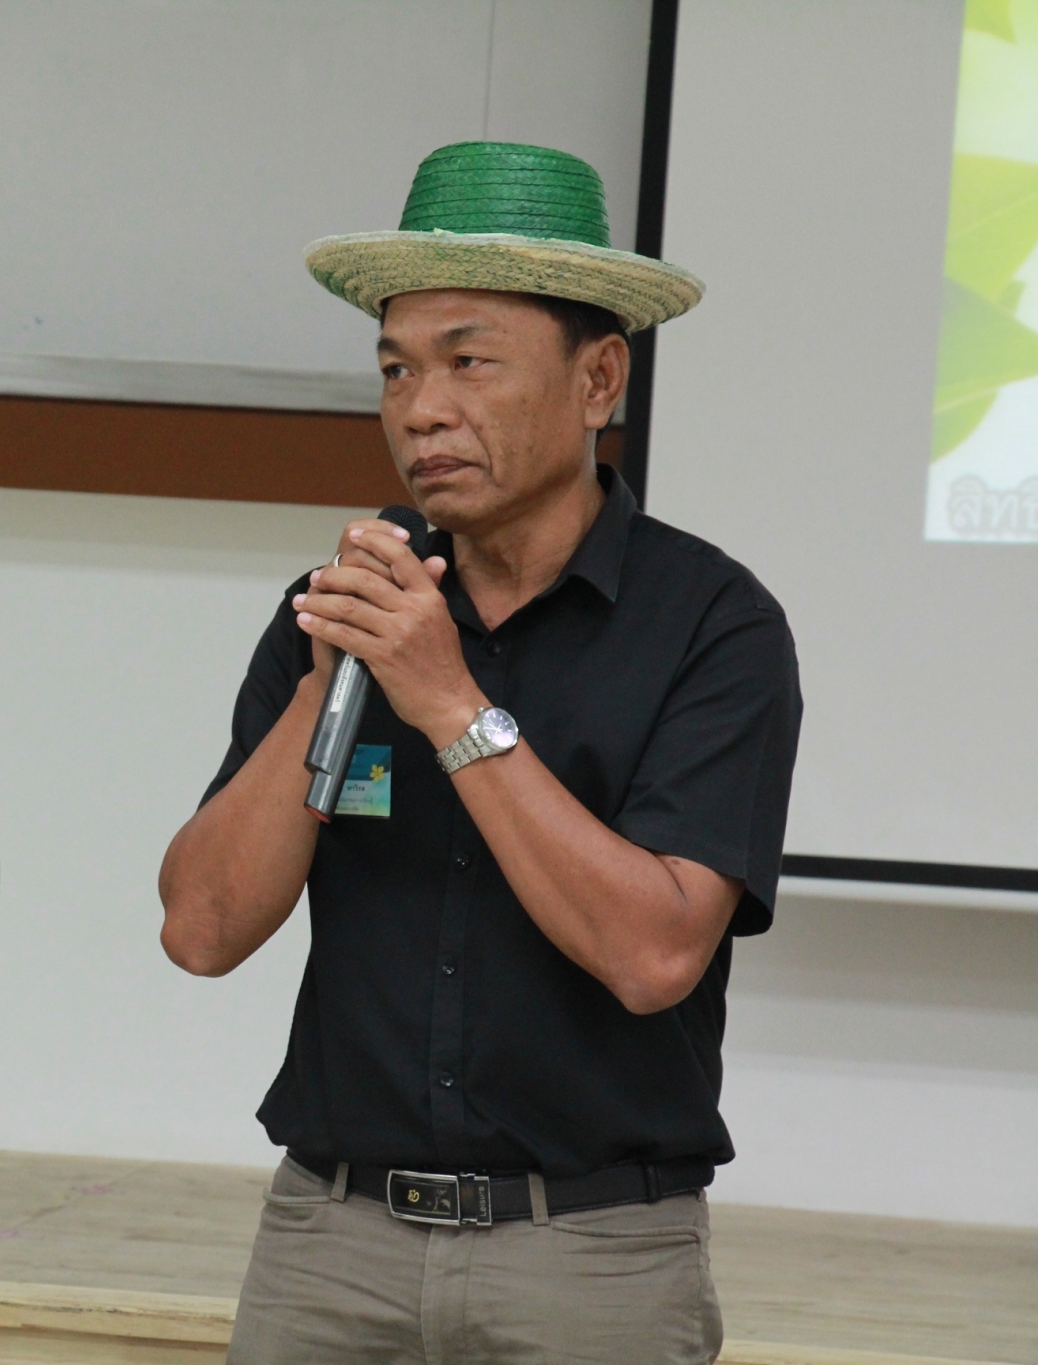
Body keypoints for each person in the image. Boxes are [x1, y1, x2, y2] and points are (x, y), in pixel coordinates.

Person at [159, 143, 802, 1363]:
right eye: (395, 368)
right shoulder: (339, 614)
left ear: (596, 378)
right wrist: (332, 681)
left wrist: (449, 704)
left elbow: (653, 954)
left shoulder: (710, 626)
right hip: (329, 1238)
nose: (419, 410)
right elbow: (199, 930)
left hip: (590, 1255)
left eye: (468, 361)